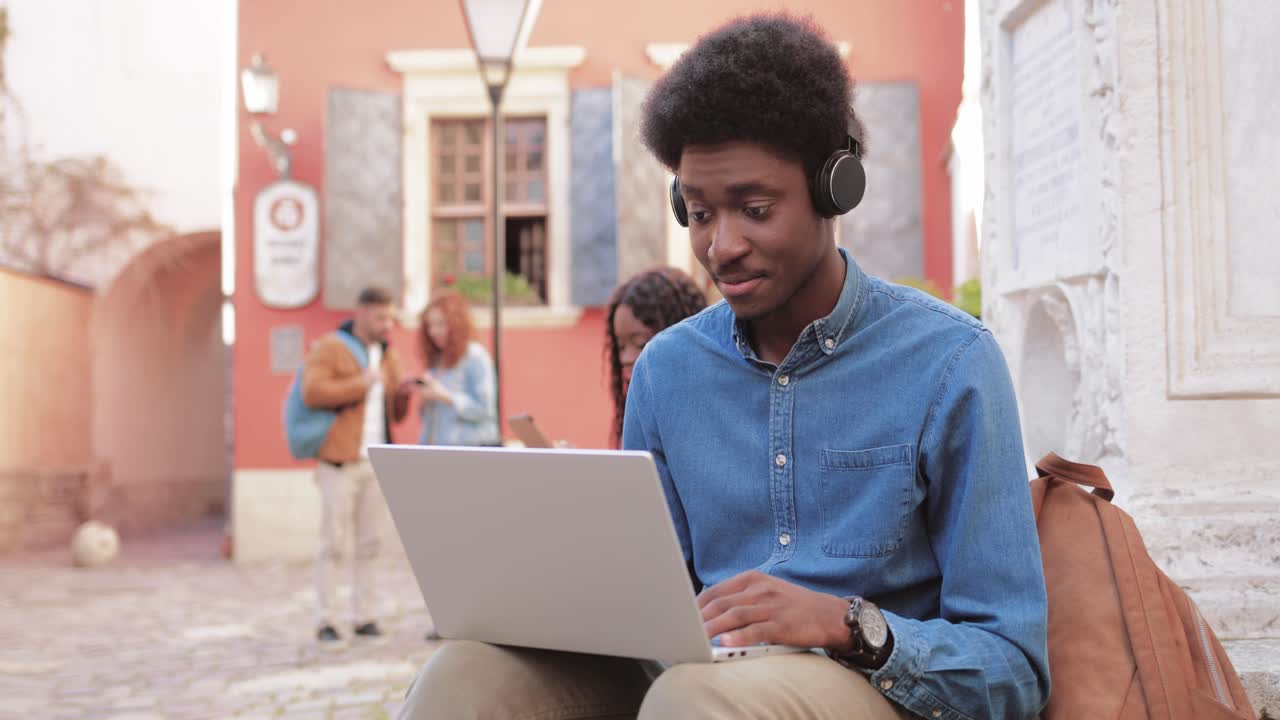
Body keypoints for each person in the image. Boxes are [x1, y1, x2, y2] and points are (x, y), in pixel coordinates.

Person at [399, 14, 1049, 720]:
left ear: (836, 189)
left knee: (691, 699)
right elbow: (646, 603)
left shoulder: (950, 362)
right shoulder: (666, 371)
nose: (721, 245)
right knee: (463, 674)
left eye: (756, 208)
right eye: (700, 212)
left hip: (865, 684)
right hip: (695, 673)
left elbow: (1011, 667)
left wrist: (848, 623)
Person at [300, 286, 412, 644]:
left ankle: (365, 615)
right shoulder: (331, 347)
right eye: (380, 317)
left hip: (375, 459)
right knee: (333, 542)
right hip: (338, 461)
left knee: (370, 543)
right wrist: (361, 383)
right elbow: (312, 392)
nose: (387, 324)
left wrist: (404, 394)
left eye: (390, 317)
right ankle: (326, 618)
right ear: (361, 313)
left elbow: (395, 412)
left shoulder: (389, 355)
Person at [605, 267, 708, 447]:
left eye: (640, 344)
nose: (625, 358)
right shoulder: (639, 412)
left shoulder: (706, 412)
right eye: (620, 347)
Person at [415, 288, 499, 448]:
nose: (433, 332)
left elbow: (485, 409)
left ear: (456, 324)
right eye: (429, 325)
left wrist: (446, 397)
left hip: (470, 451)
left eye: (440, 324)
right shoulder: (437, 360)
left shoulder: (475, 356)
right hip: (437, 451)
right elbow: (430, 420)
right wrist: (425, 399)